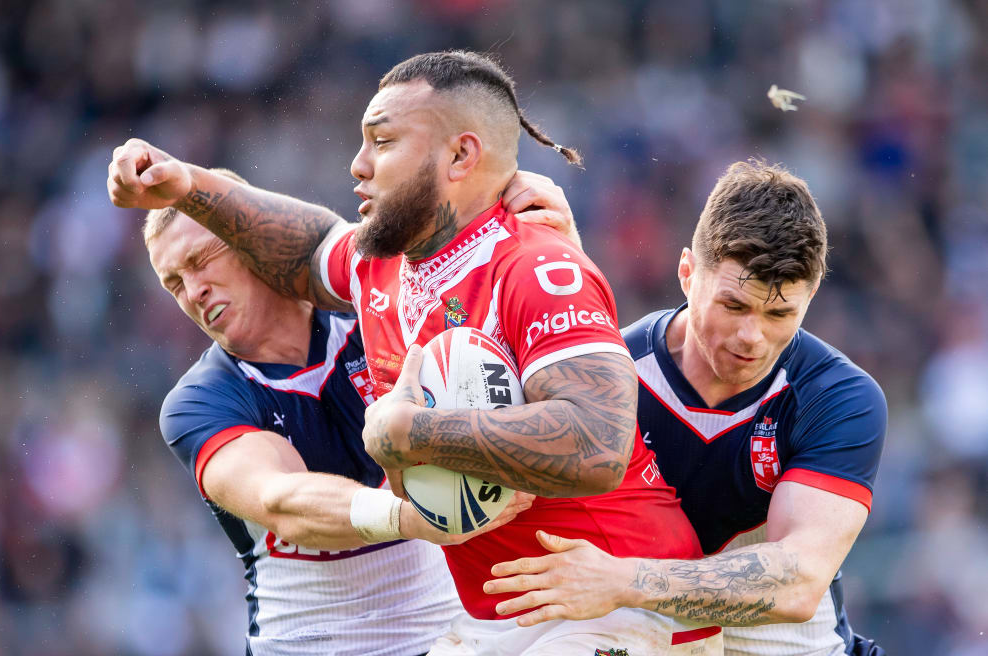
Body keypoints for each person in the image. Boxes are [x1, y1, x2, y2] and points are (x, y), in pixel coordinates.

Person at [108, 51, 720, 654]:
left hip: (614, 605)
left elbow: (599, 441)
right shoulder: (378, 272)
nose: (358, 165)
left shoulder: (538, 263)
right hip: (496, 622)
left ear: (460, 155)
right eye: (172, 281)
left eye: (382, 142)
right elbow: (308, 247)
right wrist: (187, 185)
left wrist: (422, 432)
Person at [484, 160, 887, 655]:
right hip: (647, 641)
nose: (752, 337)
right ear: (686, 274)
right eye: (734, 306)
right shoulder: (616, 374)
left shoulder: (838, 398)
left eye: (780, 314)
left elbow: (798, 581)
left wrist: (624, 581)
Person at [141, 168, 537, 655]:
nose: (194, 290)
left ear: (252, 235)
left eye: (201, 260)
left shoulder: (376, 311)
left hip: (452, 637)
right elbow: (280, 500)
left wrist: (542, 222)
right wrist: (415, 518)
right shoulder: (198, 402)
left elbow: (499, 303)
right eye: (174, 282)